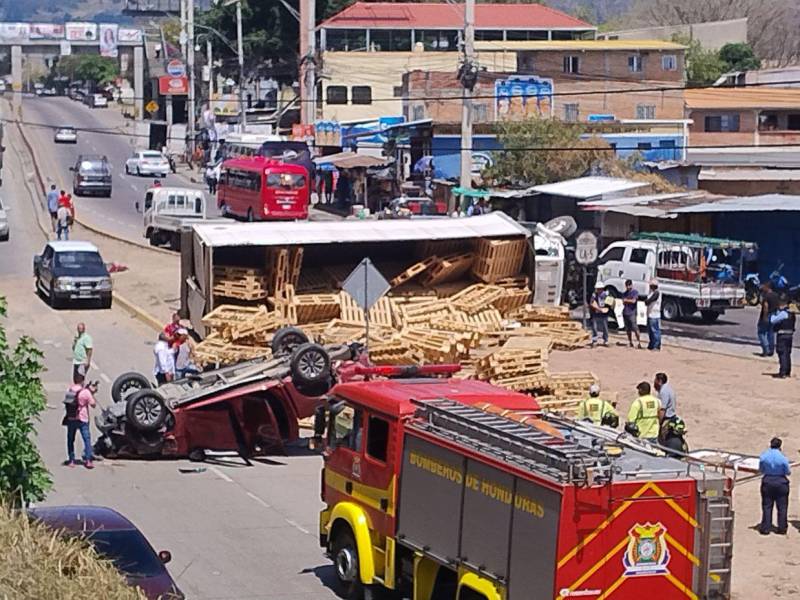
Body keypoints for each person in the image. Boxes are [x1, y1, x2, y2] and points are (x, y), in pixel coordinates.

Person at [63, 373, 97, 469]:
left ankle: (71, 460)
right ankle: (88, 460)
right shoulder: (85, 392)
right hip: (83, 418)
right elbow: (93, 404)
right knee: (86, 439)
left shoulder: (70, 390)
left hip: (71, 418)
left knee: (70, 439)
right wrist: (92, 393)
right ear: (83, 381)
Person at [758, 437, 790, 535]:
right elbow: (787, 472)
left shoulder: (764, 456)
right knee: (782, 506)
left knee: (767, 506)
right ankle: (782, 528)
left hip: (768, 481)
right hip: (780, 482)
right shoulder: (783, 458)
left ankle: (766, 528)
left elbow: (761, 470)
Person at [770, 294, 796, 378]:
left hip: (782, 335)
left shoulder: (783, 313)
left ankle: (783, 372)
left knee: (782, 353)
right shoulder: (791, 313)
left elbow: (772, 320)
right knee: (787, 353)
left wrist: (775, 312)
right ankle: (787, 371)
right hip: (789, 335)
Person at [758, 281, 778, 357]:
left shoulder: (767, 296)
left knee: (761, 333)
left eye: (764, 286)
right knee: (771, 333)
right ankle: (771, 350)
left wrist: (764, 317)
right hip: (773, 315)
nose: (763, 287)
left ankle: (766, 350)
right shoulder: (776, 295)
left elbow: (766, 307)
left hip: (767, 315)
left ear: (768, 287)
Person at [622, 279, 642, 349]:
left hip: (632, 312)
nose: (627, 287)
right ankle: (630, 342)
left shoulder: (635, 292)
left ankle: (639, 342)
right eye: (626, 286)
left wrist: (626, 300)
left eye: (629, 285)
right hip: (625, 312)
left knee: (635, 327)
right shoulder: (624, 293)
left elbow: (634, 301)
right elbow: (623, 302)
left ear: (631, 285)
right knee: (628, 329)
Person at [589, 283, 610, 347]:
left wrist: (607, 308)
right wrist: (598, 308)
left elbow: (610, 302)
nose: (598, 290)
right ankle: (594, 340)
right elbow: (591, 303)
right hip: (596, 313)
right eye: (597, 289)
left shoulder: (606, 294)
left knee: (605, 327)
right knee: (594, 327)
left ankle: (606, 340)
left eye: (600, 289)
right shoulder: (594, 295)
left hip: (604, 313)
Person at [644, 279, 662, 351]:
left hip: (655, 315)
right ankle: (651, 345)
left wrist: (646, 301)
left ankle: (656, 346)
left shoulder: (657, 293)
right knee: (650, 331)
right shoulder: (651, 292)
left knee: (655, 331)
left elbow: (648, 301)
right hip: (650, 314)